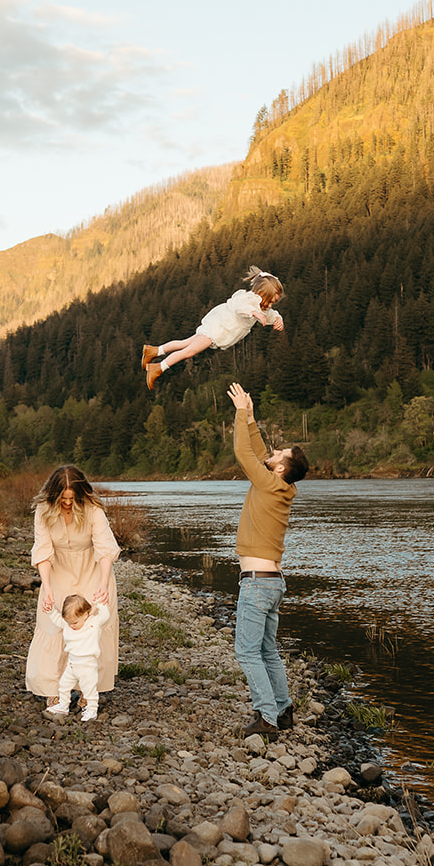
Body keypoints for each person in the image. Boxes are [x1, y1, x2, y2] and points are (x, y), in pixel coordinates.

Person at [226, 380, 309, 740]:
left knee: (247, 652)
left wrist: (240, 415)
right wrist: (252, 419)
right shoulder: (282, 484)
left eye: (279, 454)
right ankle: (284, 709)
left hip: (258, 583)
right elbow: (260, 454)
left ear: (279, 468)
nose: (272, 453)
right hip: (272, 583)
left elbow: (245, 455)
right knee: (267, 650)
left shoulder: (269, 483)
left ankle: (267, 718)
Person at [24, 465, 120, 710]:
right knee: (52, 625)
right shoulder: (44, 511)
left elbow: (105, 548)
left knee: (91, 627)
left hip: (92, 570)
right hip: (58, 572)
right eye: (63, 498)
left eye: (72, 498)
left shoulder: (93, 510)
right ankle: (53, 691)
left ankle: (88, 690)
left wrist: (103, 584)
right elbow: (43, 551)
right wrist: (46, 587)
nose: (67, 503)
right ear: (54, 495)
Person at [142, 266, 285, 390]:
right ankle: (158, 368)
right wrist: (253, 313)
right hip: (218, 329)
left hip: (217, 325)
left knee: (184, 343)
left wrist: (279, 320)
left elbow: (271, 314)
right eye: (270, 302)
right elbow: (240, 308)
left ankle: (153, 351)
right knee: (189, 351)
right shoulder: (247, 300)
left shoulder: (262, 307)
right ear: (261, 293)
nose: (270, 306)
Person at [41, 592, 110, 722]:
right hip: (72, 664)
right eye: (69, 622)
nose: (72, 626)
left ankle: (91, 709)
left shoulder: (93, 623)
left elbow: (105, 616)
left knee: (89, 689)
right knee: (64, 685)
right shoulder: (68, 625)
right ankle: (63, 705)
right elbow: (57, 620)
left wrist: (101, 604)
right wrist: (50, 611)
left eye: (74, 622)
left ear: (85, 615)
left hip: (87, 665)